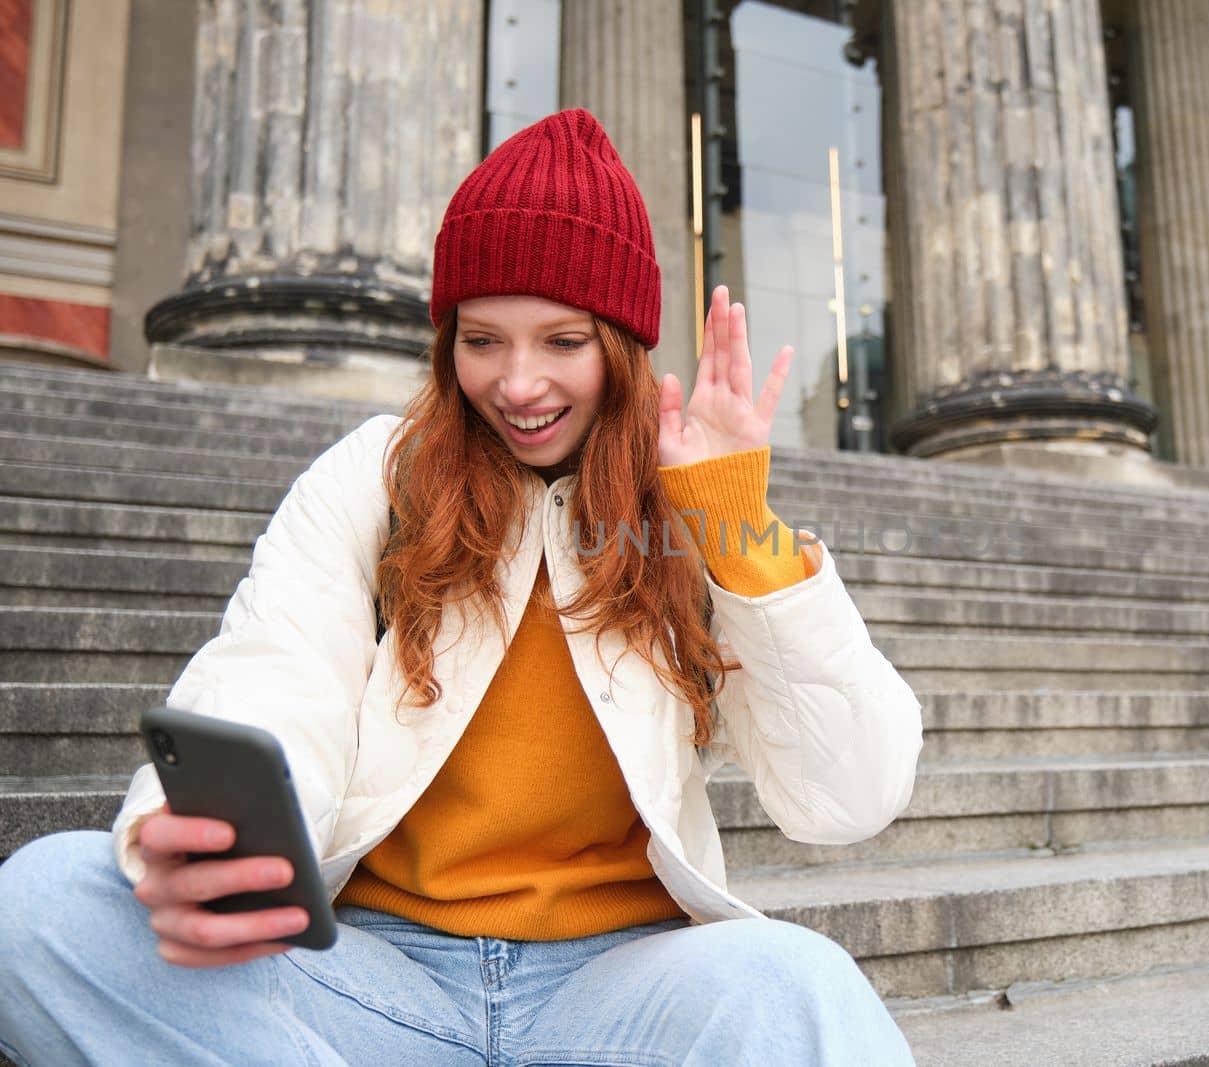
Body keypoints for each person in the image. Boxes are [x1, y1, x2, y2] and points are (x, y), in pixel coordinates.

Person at [0, 107, 923, 1066]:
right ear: (447, 344)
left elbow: (849, 794)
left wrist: (739, 529)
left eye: (562, 341)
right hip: (370, 975)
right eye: (483, 341)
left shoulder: (693, 511)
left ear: (622, 343)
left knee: (799, 982)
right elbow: (275, 673)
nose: (518, 383)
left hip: (619, 985)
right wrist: (204, 838)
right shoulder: (373, 475)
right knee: (42, 903)